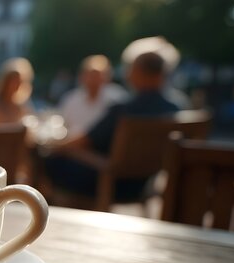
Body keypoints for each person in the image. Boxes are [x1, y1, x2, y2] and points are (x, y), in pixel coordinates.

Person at [44, 37, 181, 201]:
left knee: (49, 159)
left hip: (110, 181)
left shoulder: (123, 109)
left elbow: (82, 141)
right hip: (146, 183)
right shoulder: (176, 108)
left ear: (137, 72)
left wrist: (53, 146)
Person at [59, 55, 128, 137]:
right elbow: (63, 126)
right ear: (82, 76)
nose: (93, 79)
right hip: (72, 146)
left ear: (108, 77)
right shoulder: (70, 98)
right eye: (90, 75)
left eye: (98, 75)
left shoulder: (118, 98)